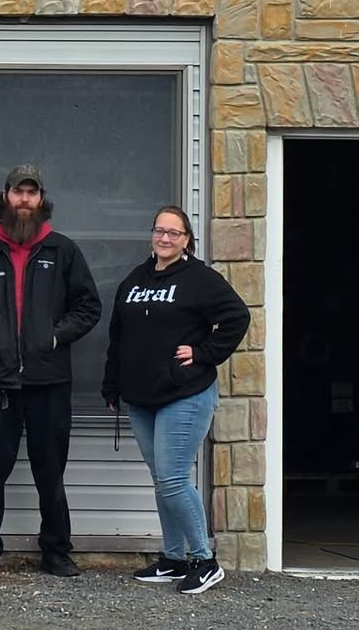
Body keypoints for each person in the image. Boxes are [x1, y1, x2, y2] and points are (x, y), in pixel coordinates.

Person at [0, 164, 101, 577]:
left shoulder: (62, 251)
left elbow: (88, 307)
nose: (24, 200)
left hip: (48, 381)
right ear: (5, 197)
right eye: (17, 193)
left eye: (31, 193)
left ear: (41, 200)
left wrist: (55, 337)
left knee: (50, 470)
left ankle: (56, 551)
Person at [102, 204, 250, 596]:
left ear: (187, 240)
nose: (165, 238)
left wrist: (203, 353)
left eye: (174, 233)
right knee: (162, 479)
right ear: (152, 235)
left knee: (172, 478)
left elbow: (237, 316)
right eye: (159, 231)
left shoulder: (200, 279)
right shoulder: (135, 280)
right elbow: (118, 337)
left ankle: (204, 560)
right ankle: (173, 558)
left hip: (185, 394)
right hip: (140, 397)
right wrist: (111, 385)